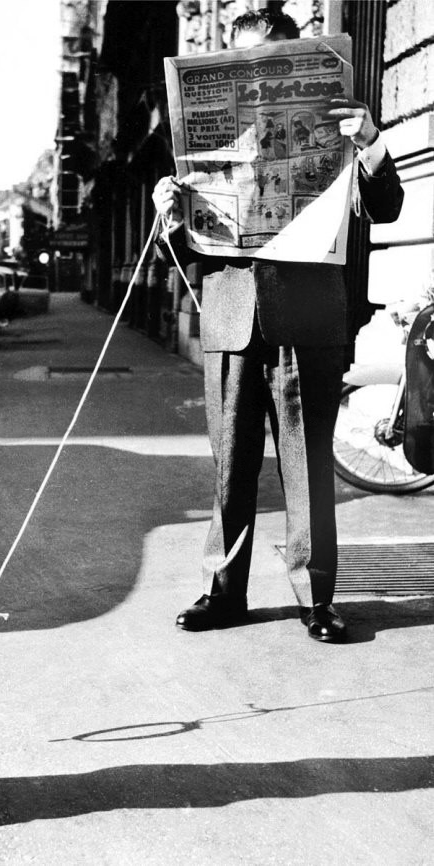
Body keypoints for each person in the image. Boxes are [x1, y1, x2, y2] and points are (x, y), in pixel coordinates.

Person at [153, 9, 404, 642]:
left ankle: (316, 598)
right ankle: (224, 592)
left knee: (308, 465)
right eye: (243, 61)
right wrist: (170, 215)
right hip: (232, 316)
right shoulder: (206, 139)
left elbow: (390, 208)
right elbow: (182, 253)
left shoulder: (341, 127)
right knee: (230, 467)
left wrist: (370, 141)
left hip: (309, 317)